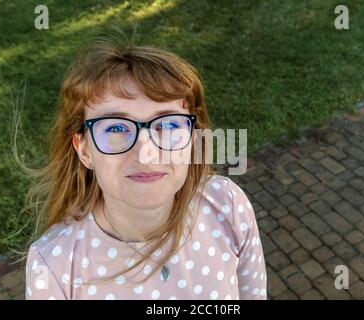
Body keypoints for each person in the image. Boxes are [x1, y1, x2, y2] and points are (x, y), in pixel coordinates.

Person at [24, 33, 267, 300]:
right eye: (116, 127)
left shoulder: (227, 207)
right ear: (84, 150)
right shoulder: (54, 268)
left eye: (169, 124)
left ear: (193, 140)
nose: (147, 154)